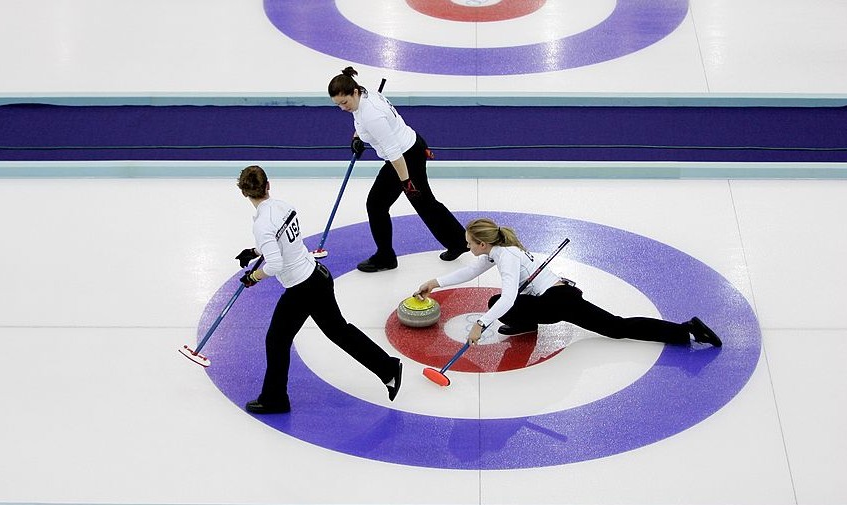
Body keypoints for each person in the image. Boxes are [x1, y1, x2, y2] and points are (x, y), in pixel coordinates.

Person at [234, 165, 403, 414]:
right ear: (268, 185)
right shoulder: (283, 207)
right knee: (338, 332)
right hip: (317, 276)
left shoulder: (262, 224)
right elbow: (281, 243)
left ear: (244, 193)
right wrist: (256, 251)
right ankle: (387, 367)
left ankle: (274, 399)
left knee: (277, 340)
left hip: (301, 289)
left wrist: (254, 277)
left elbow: (276, 263)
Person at [412, 218, 723, 348]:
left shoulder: (506, 257)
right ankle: (526, 323)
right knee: (616, 326)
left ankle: (686, 329)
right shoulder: (497, 252)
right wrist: (434, 282)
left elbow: (507, 298)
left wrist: (481, 324)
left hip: (557, 301)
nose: (467, 247)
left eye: (469, 243)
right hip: (555, 296)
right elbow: (469, 272)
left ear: (481, 243)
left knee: (616, 328)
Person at [328, 66, 468, 273]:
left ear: (354, 92)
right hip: (412, 145)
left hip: (404, 158)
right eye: (338, 104)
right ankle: (458, 241)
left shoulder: (371, 115)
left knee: (380, 204)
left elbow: (393, 151)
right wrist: (357, 136)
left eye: (344, 102)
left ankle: (385, 257)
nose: (342, 108)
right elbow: (361, 118)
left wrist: (406, 182)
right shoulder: (366, 96)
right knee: (423, 202)